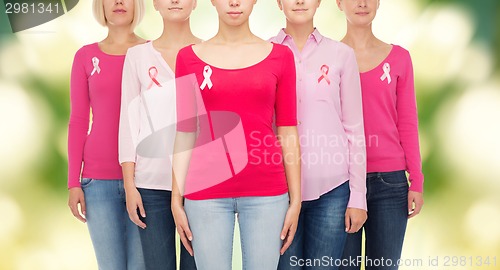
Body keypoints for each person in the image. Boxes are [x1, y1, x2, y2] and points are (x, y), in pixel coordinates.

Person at [171, 0, 302, 269]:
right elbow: (185, 132)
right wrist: (176, 199)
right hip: (205, 193)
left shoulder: (281, 56)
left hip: (267, 192)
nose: (234, 2)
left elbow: (287, 129)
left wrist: (296, 200)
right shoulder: (187, 58)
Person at [270, 1, 367, 269]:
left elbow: (354, 128)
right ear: (279, 3)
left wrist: (358, 196)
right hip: (279, 192)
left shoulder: (341, 55)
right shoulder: (264, 53)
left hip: (332, 192)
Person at [337, 0, 424, 269]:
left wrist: (417, 180)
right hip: (342, 182)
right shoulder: (329, 58)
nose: (361, 4)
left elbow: (407, 122)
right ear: (339, 3)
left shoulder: (399, 58)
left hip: (390, 184)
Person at [119, 0, 201, 269]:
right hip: (150, 186)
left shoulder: (209, 54)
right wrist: (130, 185)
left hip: (200, 185)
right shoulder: (137, 57)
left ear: (196, 3)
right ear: (155, 4)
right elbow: (129, 124)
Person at [67, 0, 147, 269]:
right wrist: (73, 182)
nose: (119, 2)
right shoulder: (85, 57)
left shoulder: (152, 53)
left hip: (145, 180)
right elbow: (78, 121)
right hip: (97, 182)